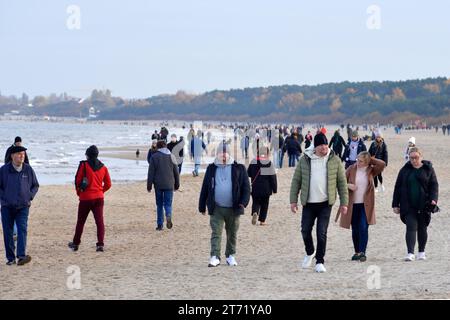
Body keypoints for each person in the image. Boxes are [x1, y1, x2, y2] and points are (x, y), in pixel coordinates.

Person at [290, 133, 348, 273]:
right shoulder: (305, 159)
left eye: (326, 144)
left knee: (321, 232)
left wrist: (344, 203)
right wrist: (293, 201)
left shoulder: (334, 160)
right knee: (305, 230)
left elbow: (342, 183)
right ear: (315, 147)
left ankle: (320, 261)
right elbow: (296, 180)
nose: (324, 147)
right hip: (309, 203)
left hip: (325, 203)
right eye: (321, 145)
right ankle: (310, 252)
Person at [198, 141, 250, 267]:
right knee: (216, 232)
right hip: (216, 207)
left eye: (226, 152)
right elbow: (205, 187)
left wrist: (243, 203)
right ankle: (215, 256)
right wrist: (201, 206)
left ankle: (230, 256)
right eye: (221, 153)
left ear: (229, 154)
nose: (224, 155)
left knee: (232, 233)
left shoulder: (239, 168)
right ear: (217, 155)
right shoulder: (211, 168)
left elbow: (246, 188)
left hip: (234, 207)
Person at [392, 147, 439, 261]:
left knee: (422, 228)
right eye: (411, 158)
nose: (413, 160)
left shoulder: (428, 169)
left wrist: (434, 199)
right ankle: (410, 253)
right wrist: (395, 204)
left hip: (424, 204)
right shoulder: (405, 169)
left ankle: (421, 252)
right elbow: (397, 187)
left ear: (421, 157)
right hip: (408, 204)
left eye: (416, 157)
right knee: (411, 227)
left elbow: (434, 186)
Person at [337, 152, 385, 262]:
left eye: (361, 161)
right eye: (357, 160)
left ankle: (363, 252)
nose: (358, 162)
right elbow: (340, 181)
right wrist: (349, 185)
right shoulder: (351, 168)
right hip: (352, 204)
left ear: (367, 162)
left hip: (366, 205)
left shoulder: (371, 170)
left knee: (363, 227)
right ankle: (357, 252)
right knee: (355, 229)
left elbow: (382, 164)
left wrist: (370, 160)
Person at [0, 146, 39, 265]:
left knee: (22, 230)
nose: (22, 156)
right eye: (19, 154)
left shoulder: (28, 169)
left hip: (23, 206)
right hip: (7, 207)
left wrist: (29, 196)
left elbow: (35, 185)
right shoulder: (4, 170)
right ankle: (10, 258)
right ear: (12, 156)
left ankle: (21, 256)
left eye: (23, 154)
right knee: (8, 232)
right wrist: (4, 198)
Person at [68, 146, 111, 252]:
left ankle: (76, 243)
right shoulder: (103, 167)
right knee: (99, 222)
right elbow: (108, 184)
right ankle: (100, 244)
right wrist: (101, 191)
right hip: (99, 198)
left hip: (85, 198)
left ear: (88, 155)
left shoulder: (84, 165)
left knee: (81, 222)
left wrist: (79, 193)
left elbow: (78, 181)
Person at [147, 140, 180, 230]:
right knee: (168, 204)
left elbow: (151, 173)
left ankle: (160, 225)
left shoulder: (154, 157)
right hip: (169, 184)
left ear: (158, 147)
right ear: (166, 147)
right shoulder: (172, 156)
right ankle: (168, 215)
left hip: (158, 185)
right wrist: (177, 185)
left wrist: (149, 186)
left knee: (159, 205)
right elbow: (176, 173)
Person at [247, 145, 277, 226]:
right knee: (265, 204)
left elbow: (248, 173)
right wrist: (275, 189)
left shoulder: (253, 161)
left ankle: (255, 212)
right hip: (266, 188)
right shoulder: (269, 163)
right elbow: (273, 177)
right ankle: (262, 221)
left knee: (256, 202)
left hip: (255, 187)